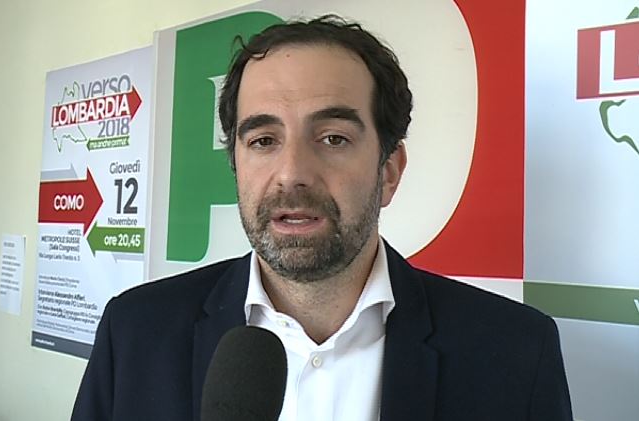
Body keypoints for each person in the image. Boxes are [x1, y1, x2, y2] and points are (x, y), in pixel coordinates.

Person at [71, 15, 573, 421]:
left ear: (389, 171)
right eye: (263, 141)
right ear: (236, 166)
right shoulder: (134, 333)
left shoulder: (516, 351)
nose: (292, 174)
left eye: (333, 138)